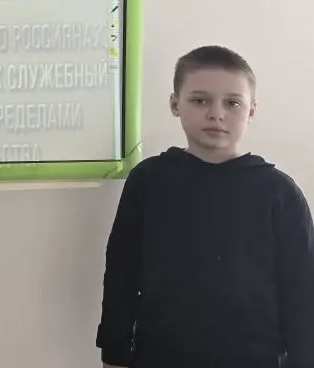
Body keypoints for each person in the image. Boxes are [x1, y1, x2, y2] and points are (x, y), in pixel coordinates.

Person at [96, 45, 314, 368]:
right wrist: (114, 352)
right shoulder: (149, 181)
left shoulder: (280, 193)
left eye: (232, 103)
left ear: (252, 111)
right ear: (175, 104)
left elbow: (303, 292)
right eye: (200, 101)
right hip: (160, 356)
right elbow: (121, 272)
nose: (216, 114)